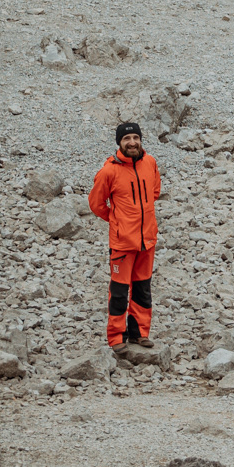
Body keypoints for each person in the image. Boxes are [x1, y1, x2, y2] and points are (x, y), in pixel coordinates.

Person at [89, 120, 160, 352]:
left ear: (140, 140)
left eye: (135, 138)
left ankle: (139, 333)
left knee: (142, 289)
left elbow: (155, 191)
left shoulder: (150, 163)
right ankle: (116, 337)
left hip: (147, 240)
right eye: (127, 139)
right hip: (122, 242)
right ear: (119, 142)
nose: (132, 142)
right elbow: (96, 203)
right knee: (119, 293)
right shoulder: (109, 170)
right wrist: (116, 220)